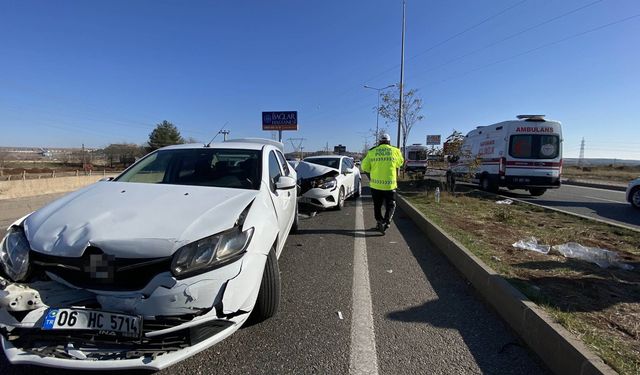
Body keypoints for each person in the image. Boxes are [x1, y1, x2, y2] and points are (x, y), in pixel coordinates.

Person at [361, 133, 404, 234]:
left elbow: (364, 167)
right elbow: (400, 163)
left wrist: (373, 169)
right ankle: (387, 221)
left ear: (379, 142)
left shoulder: (372, 151)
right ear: (389, 141)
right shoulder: (395, 151)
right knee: (391, 205)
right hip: (390, 185)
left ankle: (379, 220)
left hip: (375, 185)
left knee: (377, 205)